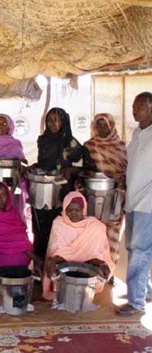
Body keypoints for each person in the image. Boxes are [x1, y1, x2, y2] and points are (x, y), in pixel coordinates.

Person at [32, 107, 84, 260]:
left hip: (62, 190)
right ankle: (40, 265)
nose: (52, 123)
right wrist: (35, 166)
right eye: (49, 120)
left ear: (63, 122)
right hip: (42, 189)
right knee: (40, 227)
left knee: (59, 225)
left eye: (56, 120)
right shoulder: (43, 140)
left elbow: (82, 166)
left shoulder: (71, 143)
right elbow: (44, 163)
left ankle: (58, 263)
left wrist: (70, 170)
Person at [117, 92, 152, 316]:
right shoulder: (138, 133)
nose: (134, 110)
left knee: (140, 251)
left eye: (139, 107)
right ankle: (144, 290)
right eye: (133, 106)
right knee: (133, 248)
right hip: (133, 201)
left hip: (147, 204)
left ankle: (136, 301)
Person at [42, 191, 114, 301]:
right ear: (64, 210)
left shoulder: (95, 226)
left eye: (77, 210)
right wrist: (54, 261)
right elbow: (56, 251)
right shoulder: (59, 223)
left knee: (104, 267)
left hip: (88, 264)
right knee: (51, 263)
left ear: (83, 209)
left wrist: (102, 264)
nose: (73, 213)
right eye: (69, 210)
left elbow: (97, 254)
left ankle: (89, 286)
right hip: (64, 264)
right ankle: (59, 288)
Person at [82, 113, 127, 264]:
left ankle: (109, 268)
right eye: (98, 125)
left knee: (111, 233)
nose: (101, 128)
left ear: (111, 126)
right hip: (92, 196)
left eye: (104, 125)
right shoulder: (89, 146)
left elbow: (126, 171)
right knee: (91, 232)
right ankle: (92, 268)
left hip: (115, 197)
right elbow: (82, 170)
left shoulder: (120, 147)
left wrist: (121, 180)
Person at [0, 182, 40, 272]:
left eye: (3, 194)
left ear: (8, 195)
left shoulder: (14, 213)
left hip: (18, 254)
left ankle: (36, 261)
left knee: (24, 253)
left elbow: (21, 238)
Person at [0, 113, 29, 219]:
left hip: (13, 184)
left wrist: (24, 164)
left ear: (9, 126)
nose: (1, 126)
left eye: (4, 123)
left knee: (12, 208)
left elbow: (22, 162)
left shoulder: (16, 144)